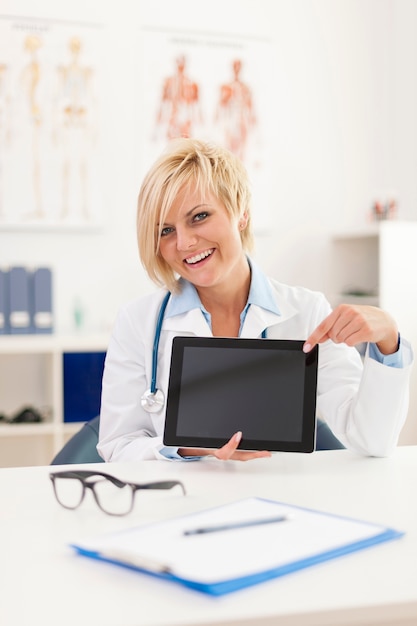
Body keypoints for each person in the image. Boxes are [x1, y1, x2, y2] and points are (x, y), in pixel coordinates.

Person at [98, 138, 413, 462]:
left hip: (280, 499)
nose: (185, 243)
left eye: (199, 216)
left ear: (242, 214)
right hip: (183, 502)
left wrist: (388, 340)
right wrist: (188, 445)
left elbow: (372, 441)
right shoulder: (138, 323)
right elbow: (117, 446)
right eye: (165, 231)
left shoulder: (306, 314)